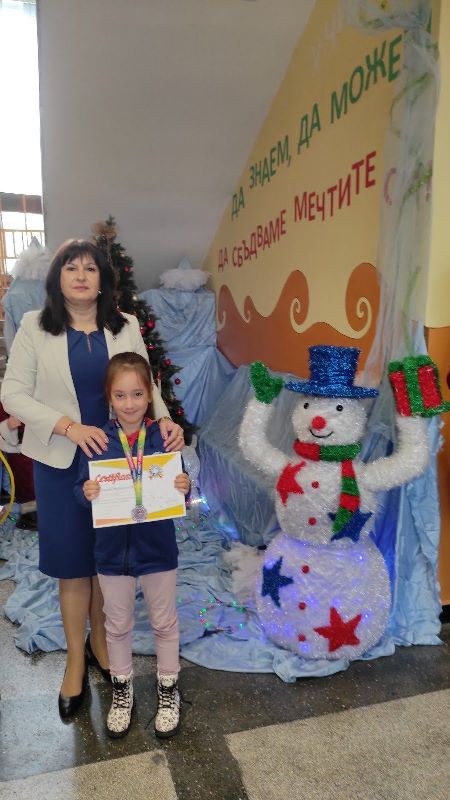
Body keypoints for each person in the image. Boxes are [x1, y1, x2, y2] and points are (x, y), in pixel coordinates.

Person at [0, 239, 185, 719]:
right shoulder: (35, 326)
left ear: (103, 279)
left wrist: (165, 419)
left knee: (108, 558)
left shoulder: (125, 326)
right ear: (57, 278)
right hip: (61, 462)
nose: (81, 276)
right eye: (71, 268)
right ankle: (75, 662)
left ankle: (102, 643)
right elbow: (13, 394)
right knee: (71, 563)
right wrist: (69, 427)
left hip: (117, 461)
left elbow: (147, 383)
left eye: (90, 268)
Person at [75, 352, 190, 739]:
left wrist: (184, 486)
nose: (129, 404)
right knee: (117, 625)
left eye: (137, 394)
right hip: (111, 555)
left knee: (164, 622)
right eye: (120, 395)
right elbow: (79, 490)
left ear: (149, 395)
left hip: (158, 549)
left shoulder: (164, 436)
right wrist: (87, 492)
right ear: (109, 397)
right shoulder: (97, 441)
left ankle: (168, 690)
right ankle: (122, 692)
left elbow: (180, 485)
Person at [0, 402, 37, 529]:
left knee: (29, 484)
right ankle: (31, 513)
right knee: (26, 485)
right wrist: (8, 426)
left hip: (30, 448)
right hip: (18, 450)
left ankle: (33, 513)